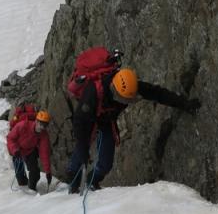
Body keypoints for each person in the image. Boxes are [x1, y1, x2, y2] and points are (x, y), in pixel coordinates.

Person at [67, 67, 199, 193]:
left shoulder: (132, 87)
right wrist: (84, 148)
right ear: (114, 89)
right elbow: (79, 122)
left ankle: (92, 182)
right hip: (89, 119)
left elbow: (158, 93)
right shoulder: (93, 93)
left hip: (106, 121)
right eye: (122, 99)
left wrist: (184, 103)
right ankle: (72, 184)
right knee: (80, 153)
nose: (124, 102)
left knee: (106, 162)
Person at [8, 109, 52, 192]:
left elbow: (44, 153)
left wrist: (48, 171)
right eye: (41, 124)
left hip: (29, 151)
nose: (42, 127)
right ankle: (22, 190)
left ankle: (31, 190)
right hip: (17, 150)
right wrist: (14, 150)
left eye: (45, 125)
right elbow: (10, 138)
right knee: (21, 178)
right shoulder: (22, 125)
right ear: (36, 121)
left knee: (35, 173)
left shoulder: (43, 135)